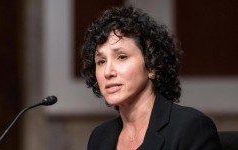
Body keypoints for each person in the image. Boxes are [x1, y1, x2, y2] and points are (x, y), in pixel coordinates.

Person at [81, 6, 222, 150]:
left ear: (151, 65)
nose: (107, 72)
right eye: (101, 61)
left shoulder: (191, 128)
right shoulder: (99, 137)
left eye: (122, 57)